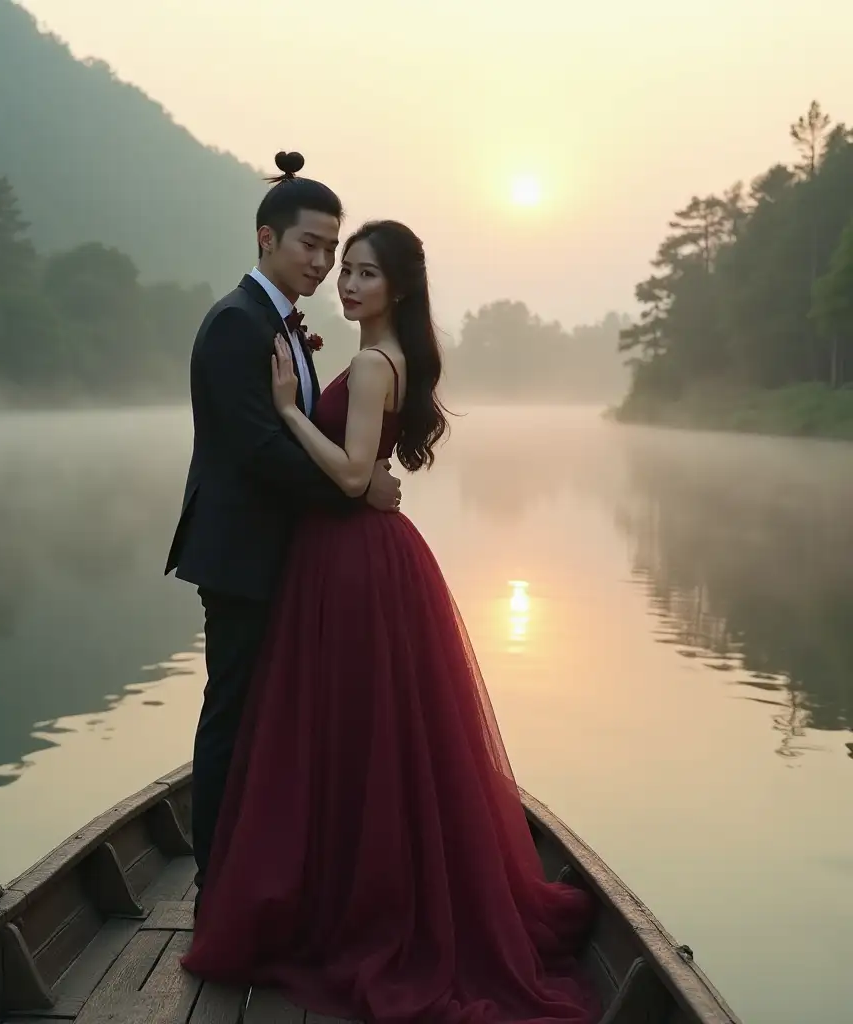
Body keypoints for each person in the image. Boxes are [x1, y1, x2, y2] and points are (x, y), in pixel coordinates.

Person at [180, 215, 601, 1024]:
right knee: (369, 732)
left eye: (366, 273)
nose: (347, 282)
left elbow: (345, 475)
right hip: (358, 558)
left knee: (350, 730)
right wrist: (354, 464)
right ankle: (349, 882)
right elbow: (362, 472)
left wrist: (285, 409)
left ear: (398, 289)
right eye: (344, 268)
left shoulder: (374, 364)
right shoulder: (379, 357)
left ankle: (348, 898)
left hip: (353, 562)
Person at [164, 151, 401, 919]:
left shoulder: (281, 323)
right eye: (311, 245)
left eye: (333, 249)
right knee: (232, 715)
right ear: (266, 238)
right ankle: (214, 887)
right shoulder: (237, 324)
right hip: (240, 558)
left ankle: (268, 870)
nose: (323, 261)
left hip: (282, 556)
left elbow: (292, 434)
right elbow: (258, 449)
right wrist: (357, 493)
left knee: (274, 717)